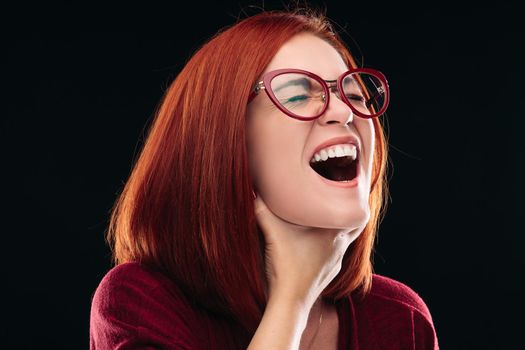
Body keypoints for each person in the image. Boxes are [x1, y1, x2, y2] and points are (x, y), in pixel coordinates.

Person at [89, 7, 439, 350]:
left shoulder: (400, 319)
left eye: (354, 94)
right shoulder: (139, 303)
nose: (344, 111)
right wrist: (292, 300)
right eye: (299, 95)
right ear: (222, 139)